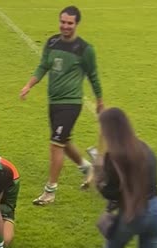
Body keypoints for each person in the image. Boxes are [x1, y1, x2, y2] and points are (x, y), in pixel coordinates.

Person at [19, 5, 104, 205]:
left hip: (71, 103)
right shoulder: (52, 42)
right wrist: (28, 85)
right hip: (54, 102)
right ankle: (87, 168)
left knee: (55, 144)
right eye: (62, 22)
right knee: (63, 142)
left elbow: (93, 76)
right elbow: (43, 66)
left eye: (69, 23)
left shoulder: (85, 49)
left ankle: (50, 191)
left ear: (76, 24)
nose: (65, 26)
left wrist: (100, 100)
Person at [94, 108, 157, 248]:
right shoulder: (144, 148)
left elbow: (111, 192)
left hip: (133, 213)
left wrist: (99, 178)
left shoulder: (113, 157)